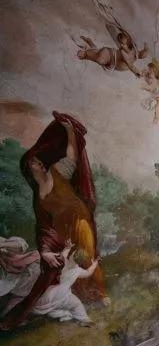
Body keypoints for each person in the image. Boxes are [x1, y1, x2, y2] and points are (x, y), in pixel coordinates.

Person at [1, 113, 106, 331]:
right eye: (34, 163)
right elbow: (43, 227)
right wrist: (46, 251)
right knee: (60, 266)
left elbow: (72, 155)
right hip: (62, 230)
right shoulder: (38, 196)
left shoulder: (57, 171)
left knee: (87, 257)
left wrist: (69, 130)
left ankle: (99, 293)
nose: (38, 164)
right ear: (29, 169)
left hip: (80, 221)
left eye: (39, 162)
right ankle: (54, 303)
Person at [29, 242, 100, 326]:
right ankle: (84, 319)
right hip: (62, 295)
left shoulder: (63, 261)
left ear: (72, 255)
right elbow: (88, 272)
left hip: (48, 293)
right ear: (81, 262)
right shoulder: (78, 271)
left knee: (48, 304)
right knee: (76, 304)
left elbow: (63, 254)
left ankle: (56, 312)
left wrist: (68, 248)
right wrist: (94, 264)